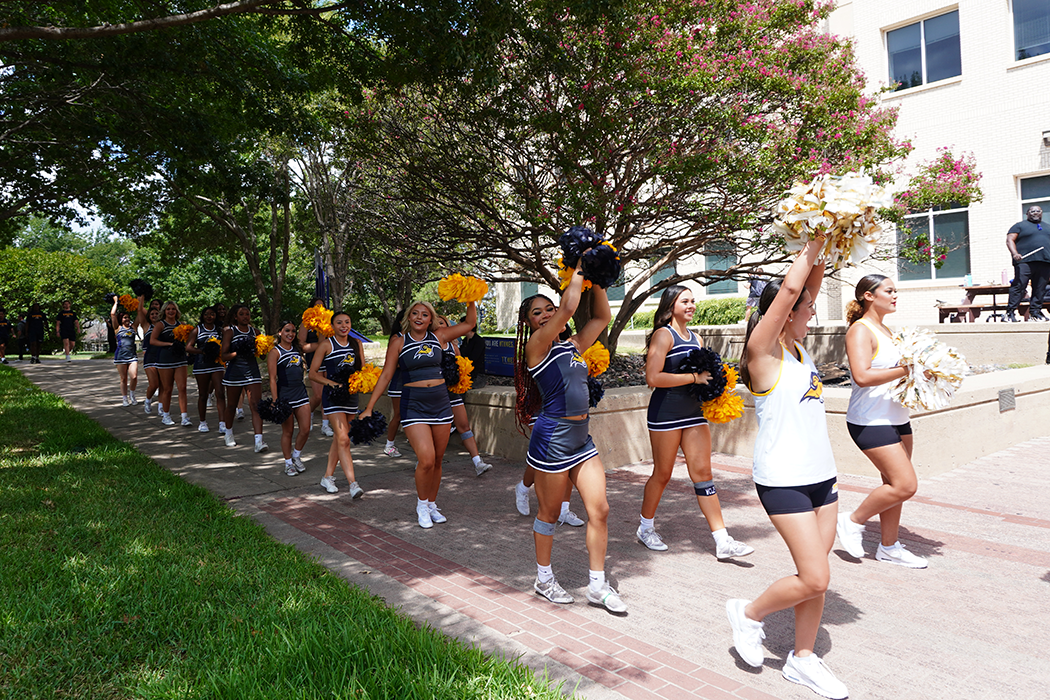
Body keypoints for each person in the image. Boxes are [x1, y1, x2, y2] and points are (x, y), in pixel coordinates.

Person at [726, 232, 849, 699]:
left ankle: (802, 659)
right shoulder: (763, 354)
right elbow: (796, 289)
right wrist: (813, 241)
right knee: (815, 575)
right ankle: (749, 612)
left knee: (815, 580)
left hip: (822, 476)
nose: (813, 310)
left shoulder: (800, 351)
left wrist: (834, 233)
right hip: (784, 480)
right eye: (804, 306)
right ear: (785, 311)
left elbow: (807, 290)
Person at [513, 256, 625, 613]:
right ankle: (543, 579)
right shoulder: (537, 349)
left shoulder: (573, 346)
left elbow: (602, 318)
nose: (546, 315)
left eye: (548, 308)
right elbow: (569, 308)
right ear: (529, 324)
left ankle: (597, 585)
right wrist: (579, 267)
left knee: (601, 510)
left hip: (582, 438)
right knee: (548, 513)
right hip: (552, 440)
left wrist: (601, 278)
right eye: (537, 313)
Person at [638, 285, 753, 559]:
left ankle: (722, 540)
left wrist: (716, 391)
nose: (691, 305)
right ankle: (645, 528)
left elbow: (705, 377)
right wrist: (693, 378)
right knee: (662, 474)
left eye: (693, 301)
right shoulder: (663, 335)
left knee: (703, 474)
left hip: (693, 413)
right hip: (665, 413)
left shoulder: (696, 338)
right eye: (685, 300)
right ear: (671, 304)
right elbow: (653, 378)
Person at [361, 300, 477, 528]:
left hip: (441, 404)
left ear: (430, 319)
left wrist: (470, 297)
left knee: (437, 460)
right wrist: (369, 407)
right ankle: (422, 505)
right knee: (426, 459)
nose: (419, 317)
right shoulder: (398, 342)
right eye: (415, 313)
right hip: (414, 405)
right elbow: (385, 375)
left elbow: (470, 322)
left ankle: (432, 504)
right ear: (408, 317)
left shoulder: (440, 336)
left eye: (425, 315)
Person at [840, 275, 927, 568]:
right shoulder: (860, 331)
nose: (895, 296)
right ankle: (852, 521)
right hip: (870, 420)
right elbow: (862, 376)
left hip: (897, 417)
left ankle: (889, 547)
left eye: (895, 291)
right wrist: (905, 369)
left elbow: (897, 373)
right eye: (889, 291)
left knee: (892, 484)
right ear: (868, 295)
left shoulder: (887, 330)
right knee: (905, 485)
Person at [309, 312, 365, 496]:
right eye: (339, 322)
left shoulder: (357, 344)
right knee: (343, 439)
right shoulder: (327, 344)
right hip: (333, 397)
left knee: (339, 439)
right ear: (332, 326)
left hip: (350, 397)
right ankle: (353, 484)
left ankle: (327, 476)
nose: (344, 325)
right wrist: (333, 384)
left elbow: (362, 370)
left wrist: (363, 382)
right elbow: (313, 373)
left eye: (347, 322)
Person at [435, 314, 492, 476]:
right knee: (437, 430)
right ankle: (426, 461)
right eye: (436, 322)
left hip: (452, 393)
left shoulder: (454, 347)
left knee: (464, 426)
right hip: (434, 394)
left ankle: (478, 462)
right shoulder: (426, 345)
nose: (439, 325)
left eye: (443, 323)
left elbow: (462, 370)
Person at [270, 320, 317, 477]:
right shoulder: (275, 352)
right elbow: (272, 378)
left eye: (293, 331)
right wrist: (276, 401)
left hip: (301, 393)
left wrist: (323, 328)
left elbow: (318, 346)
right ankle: (288, 463)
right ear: (280, 332)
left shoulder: (298, 348)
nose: (290, 334)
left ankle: (296, 456)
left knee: (305, 429)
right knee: (288, 431)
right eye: (287, 331)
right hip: (285, 396)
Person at [221, 304, 267, 452]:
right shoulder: (230, 332)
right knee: (231, 406)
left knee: (256, 405)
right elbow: (224, 355)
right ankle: (228, 433)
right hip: (234, 373)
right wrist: (238, 352)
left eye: (247, 314)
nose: (245, 317)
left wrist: (262, 347)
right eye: (242, 314)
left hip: (252, 372)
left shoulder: (256, 332)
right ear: (235, 316)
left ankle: (259, 441)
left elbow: (262, 356)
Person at [1005, 205, 1050, 322]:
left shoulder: (1047, 227)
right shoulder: (1020, 226)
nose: (1035, 213)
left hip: (1044, 261)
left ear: (1041, 213)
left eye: (1038, 211)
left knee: (1040, 288)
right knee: (1019, 285)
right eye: (1032, 211)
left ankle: (1035, 313)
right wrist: (1015, 253)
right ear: (1027, 213)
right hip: (1024, 261)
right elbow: (1010, 240)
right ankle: (1010, 313)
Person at [150, 301, 191, 426]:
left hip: (180, 359)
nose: (171, 311)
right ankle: (166, 415)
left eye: (173, 309)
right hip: (165, 359)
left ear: (176, 311)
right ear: (164, 311)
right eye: (168, 309)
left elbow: (188, 339)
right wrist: (169, 344)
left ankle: (184, 417)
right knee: (167, 389)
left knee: (182, 388)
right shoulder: (160, 325)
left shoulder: (182, 324)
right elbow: (153, 341)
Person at [186, 306, 226, 434]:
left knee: (220, 392)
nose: (209, 316)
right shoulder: (197, 330)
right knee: (203, 394)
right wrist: (203, 351)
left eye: (212, 314)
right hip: (202, 364)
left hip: (217, 364)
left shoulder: (220, 330)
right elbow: (188, 347)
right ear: (203, 316)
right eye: (207, 314)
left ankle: (222, 423)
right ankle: (202, 422)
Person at [298, 298, 334, 438]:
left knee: (328, 393)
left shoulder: (330, 322)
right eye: (316, 305)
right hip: (314, 359)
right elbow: (302, 347)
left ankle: (325, 425)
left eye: (322, 306)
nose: (320, 308)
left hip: (329, 358)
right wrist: (319, 346)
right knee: (318, 395)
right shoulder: (306, 324)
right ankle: (309, 413)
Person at [109, 295, 139, 405]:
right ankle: (125, 398)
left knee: (134, 376)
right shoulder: (118, 328)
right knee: (123, 379)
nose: (127, 319)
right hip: (120, 355)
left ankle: (132, 394)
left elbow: (140, 314)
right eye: (124, 317)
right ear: (121, 319)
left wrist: (136, 302)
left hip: (132, 355)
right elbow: (112, 314)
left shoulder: (133, 327)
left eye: (128, 317)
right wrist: (116, 302)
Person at [139, 305, 162, 415]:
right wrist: (141, 296)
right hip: (150, 358)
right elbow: (139, 311)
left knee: (163, 385)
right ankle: (148, 400)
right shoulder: (146, 326)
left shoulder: (163, 326)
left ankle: (161, 408)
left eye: (156, 313)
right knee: (154, 384)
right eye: (152, 314)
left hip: (162, 357)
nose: (154, 315)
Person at [459, 317, 488, 388]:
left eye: (460, 326)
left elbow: (472, 359)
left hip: (477, 376)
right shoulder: (465, 341)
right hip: (465, 374)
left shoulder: (479, 341)